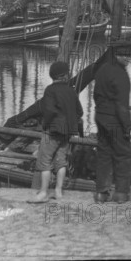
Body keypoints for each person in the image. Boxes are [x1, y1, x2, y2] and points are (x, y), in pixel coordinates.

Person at [29, 61, 83, 203]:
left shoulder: (50, 90)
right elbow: (80, 111)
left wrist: (45, 125)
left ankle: (43, 193)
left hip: (52, 131)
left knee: (44, 161)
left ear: (52, 76)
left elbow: (50, 111)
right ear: (65, 75)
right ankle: (59, 192)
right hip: (67, 133)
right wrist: (70, 123)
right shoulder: (71, 91)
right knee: (61, 162)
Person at [93, 51, 131, 203]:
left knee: (103, 154)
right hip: (115, 120)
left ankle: (101, 193)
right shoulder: (121, 75)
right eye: (124, 55)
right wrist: (127, 126)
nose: (128, 57)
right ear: (116, 55)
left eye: (129, 54)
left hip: (100, 117)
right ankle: (121, 193)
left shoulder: (102, 70)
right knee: (123, 155)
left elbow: (96, 95)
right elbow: (122, 105)